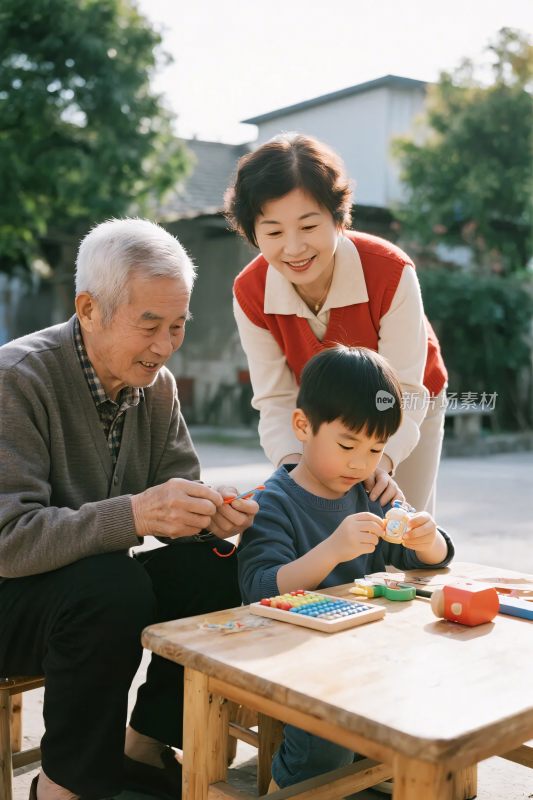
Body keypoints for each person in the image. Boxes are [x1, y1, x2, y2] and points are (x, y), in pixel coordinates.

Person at [0, 218, 258, 800]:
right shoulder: (16, 380)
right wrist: (139, 515)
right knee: (109, 584)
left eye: (177, 326)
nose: (165, 346)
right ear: (88, 308)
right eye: (149, 325)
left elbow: (177, 489)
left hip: (85, 593)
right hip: (10, 596)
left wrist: (210, 517)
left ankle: (143, 748)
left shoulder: (156, 387)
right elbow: (8, 538)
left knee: (215, 567)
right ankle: (64, 787)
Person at [237, 346, 454, 793]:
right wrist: (332, 551)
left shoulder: (369, 491)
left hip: (366, 657)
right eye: (347, 444)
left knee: (432, 694)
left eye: (376, 449)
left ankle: (374, 760)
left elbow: (429, 558)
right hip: (293, 664)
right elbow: (258, 589)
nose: (360, 463)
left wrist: (426, 536)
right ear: (303, 426)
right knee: (325, 738)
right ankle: (295, 781)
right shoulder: (273, 502)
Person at [225, 133, 448, 515]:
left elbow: (408, 390)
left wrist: (377, 463)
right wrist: (296, 472)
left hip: (408, 404)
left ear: (338, 218)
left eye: (308, 227)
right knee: (319, 532)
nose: (293, 248)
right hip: (326, 414)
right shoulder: (251, 291)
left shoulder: (390, 271)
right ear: (253, 232)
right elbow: (277, 399)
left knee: (400, 533)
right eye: (274, 232)